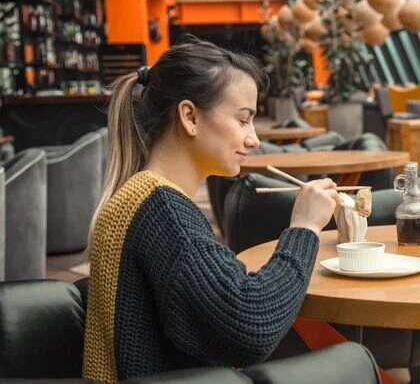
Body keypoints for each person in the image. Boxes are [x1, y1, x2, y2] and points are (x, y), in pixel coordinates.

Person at [82, 39, 341, 383]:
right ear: (190, 116)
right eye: (243, 120)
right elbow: (250, 326)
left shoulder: (141, 196)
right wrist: (305, 228)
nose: (254, 139)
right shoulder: (162, 212)